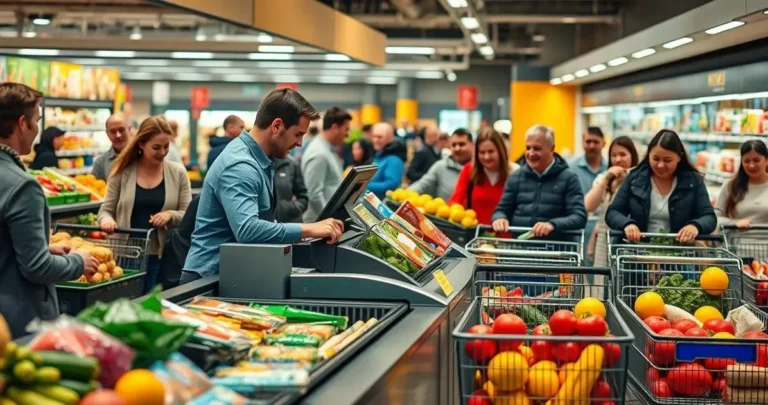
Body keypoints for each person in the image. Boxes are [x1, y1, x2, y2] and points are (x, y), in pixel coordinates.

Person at [183, 88, 344, 282]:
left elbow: (262, 221)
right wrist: (308, 229)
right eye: (297, 134)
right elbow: (248, 230)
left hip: (233, 273)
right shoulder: (240, 166)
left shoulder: (261, 160)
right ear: (276, 126)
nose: (300, 143)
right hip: (207, 279)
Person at [0, 83, 98, 337]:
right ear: (22, 123)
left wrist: (42, 246)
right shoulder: (22, 186)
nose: (37, 129)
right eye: (37, 120)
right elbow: (36, 268)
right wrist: (78, 262)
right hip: (18, 323)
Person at [98, 116, 192, 292]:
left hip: (164, 257)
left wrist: (170, 215)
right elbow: (105, 210)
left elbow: (188, 213)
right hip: (126, 257)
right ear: (141, 144)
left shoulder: (178, 173)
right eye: (156, 147)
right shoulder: (121, 173)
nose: (162, 152)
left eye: (166, 146)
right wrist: (106, 221)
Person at [606, 129, 716, 243]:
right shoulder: (634, 178)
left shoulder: (693, 181)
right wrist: (627, 224)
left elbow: (709, 217)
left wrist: (695, 226)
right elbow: (613, 212)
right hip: (638, 251)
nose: (660, 165)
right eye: (655, 158)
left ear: (679, 157)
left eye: (667, 160)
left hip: (679, 253)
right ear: (649, 154)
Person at [492, 124, 587, 236]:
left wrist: (552, 225)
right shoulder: (515, 177)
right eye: (528, 148)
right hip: (520, 248)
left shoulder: (569, 179)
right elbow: (501, 209)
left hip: (557, 249)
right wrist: (499, 218)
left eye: (537, 148)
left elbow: (579, 217)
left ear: (552, 149)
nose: (531, 153)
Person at [584, 136, 639, 267]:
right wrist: (607, 178)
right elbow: (588, 206)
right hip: (604, 238)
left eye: (623, 154)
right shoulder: (603, 179)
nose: (618, 159)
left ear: (632, 155)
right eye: (613, 155)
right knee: (603, 280)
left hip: (631, 238)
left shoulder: (640, 179)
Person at [449, 129, 518, 225]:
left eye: (491, 152)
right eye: (482, 152)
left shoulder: (515, 172)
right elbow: (456, 203)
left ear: (500, 151)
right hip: (476, 236)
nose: (486, 157)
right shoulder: (469, 170)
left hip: (507, 237)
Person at [301, 107, 351, 222]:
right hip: (318, 223)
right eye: (346, 129)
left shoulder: (328, 150)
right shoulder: (319, 153)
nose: (347, 135)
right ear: (335, 128)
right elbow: (313, 193)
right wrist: (327, 220)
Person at [715, 140, 768, 229]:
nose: (751, 165)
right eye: (746, 161)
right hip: (735, 241)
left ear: (766, 160)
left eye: (756, 160)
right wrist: (734, 223)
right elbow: (715, 218)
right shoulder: (730, 185)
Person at [409, 128, 473, 201]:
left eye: (462, 144)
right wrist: (403, 195)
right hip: (447, 211)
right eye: (454, 145)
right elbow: (421, 185)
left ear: (473, 145)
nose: (457, 148)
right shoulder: (440, 166)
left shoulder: (481, 168)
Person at [368, 122, 407, 198]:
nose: (376, 140)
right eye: (374, 136)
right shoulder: (379, 154)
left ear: (390, 138)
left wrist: (363, 185)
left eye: (380, 137)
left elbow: (391, 185)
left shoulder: (394, 160)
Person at [92, 113, 132, 181]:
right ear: (107, 134)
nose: (118, 135)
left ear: (129, 129)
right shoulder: (100, 163)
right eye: (113, 131)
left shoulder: (143, 157)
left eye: (121, 130)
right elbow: (95, 189)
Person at [275, 156, 309, 223]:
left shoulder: (291, 164)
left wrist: (287, 208)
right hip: (261, 225)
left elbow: (303, 198)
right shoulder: (255, 164)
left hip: (286, 224)